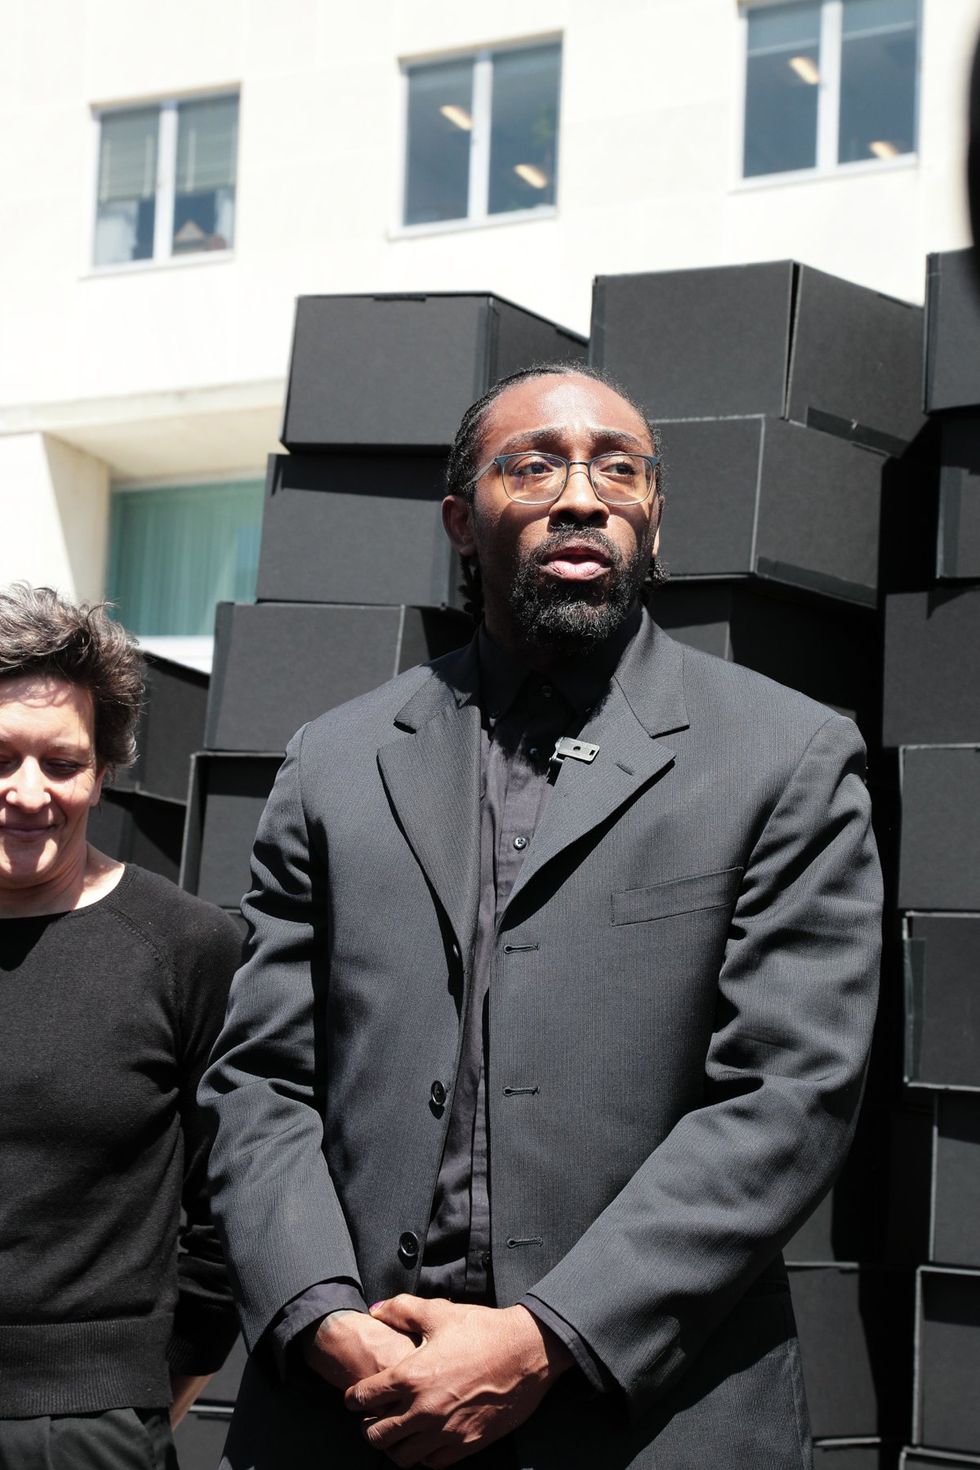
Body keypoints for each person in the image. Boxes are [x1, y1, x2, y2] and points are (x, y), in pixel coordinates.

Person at [201, 364, 881, 1470]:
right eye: (535, 465)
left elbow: (785, 1097)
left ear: (651, 515)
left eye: (617, 468)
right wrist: (325, 1320)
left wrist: (541, 1341)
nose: (581, 494)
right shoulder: (333, 760)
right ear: (462, 523)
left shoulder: (783, 756)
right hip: (352, 1407)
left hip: (644, 1416)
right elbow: (257, 1082)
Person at [0, 584, 241, 1470]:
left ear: (103, 772)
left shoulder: (186, 946)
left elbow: (225, 1203)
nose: (28, 794)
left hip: (87, 1425)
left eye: (61, 763)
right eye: (1, 758)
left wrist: (148, 1391)